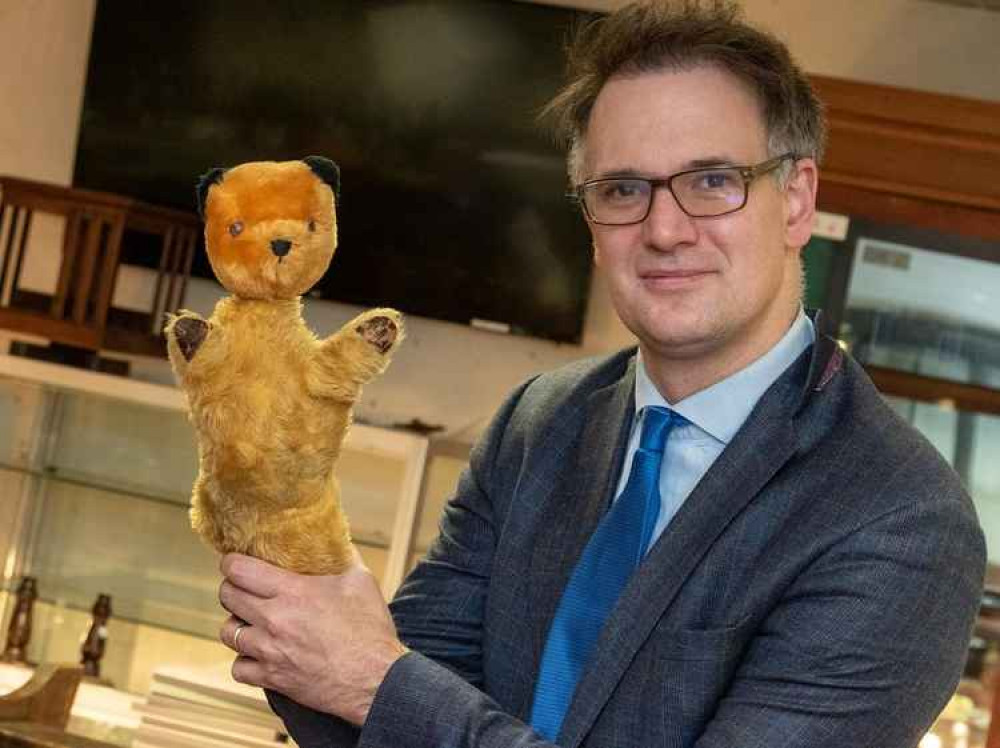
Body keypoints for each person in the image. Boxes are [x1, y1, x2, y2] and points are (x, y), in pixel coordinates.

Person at [215, 2, 986, 747]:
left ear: (796, 201)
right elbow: (380, 705)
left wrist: (367, 679)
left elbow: (381, 688)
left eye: (713, 180)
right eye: (623, 189)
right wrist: (285, 550)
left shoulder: (901, 521)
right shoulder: (540, 421)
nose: (664, 229)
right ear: (590, 225)